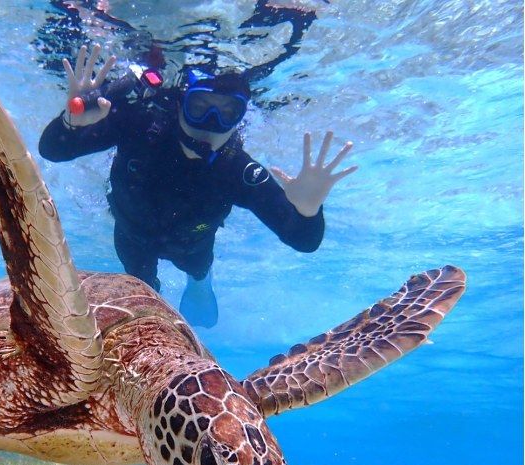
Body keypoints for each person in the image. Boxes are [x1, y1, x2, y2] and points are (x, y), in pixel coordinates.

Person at [38, 44, 356, 327]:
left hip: (194, 246)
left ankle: (201, 283)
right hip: (132, 237)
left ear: (239, 119)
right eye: (200, 107)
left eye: (228, 112)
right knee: (142, 292)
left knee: (198, 267)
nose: (213, 124)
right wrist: (70, 122)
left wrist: (309, 208)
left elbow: (303, 240)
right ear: (179, 104)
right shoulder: (140, 126)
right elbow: (53, 150)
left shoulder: (235, 169)